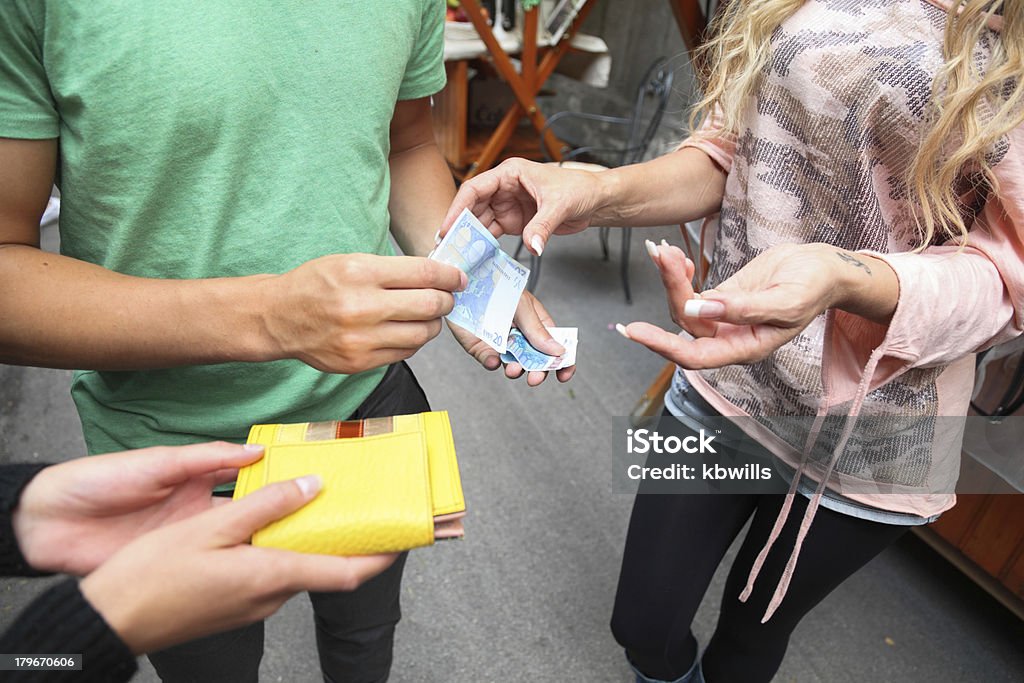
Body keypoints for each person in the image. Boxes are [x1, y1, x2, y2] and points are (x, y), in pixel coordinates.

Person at [442, 0, 1023, 681]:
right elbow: (729, 153)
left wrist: (846, 276)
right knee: (641, 624)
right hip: (727, 384)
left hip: (876, 434)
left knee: (749, 642)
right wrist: (593, 189)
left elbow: (1007, 276)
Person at [0, 2, 572, 681]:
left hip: (366, 411)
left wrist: (474, 280)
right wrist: (271, 316)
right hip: (171, 456)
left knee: (364, 638)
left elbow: (406, 140)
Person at [0, 441, 396, 682]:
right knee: (206, 668)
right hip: (164, 449)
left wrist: (25, 512)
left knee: (363, 631)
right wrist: (106, 620)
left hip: (366, 409)